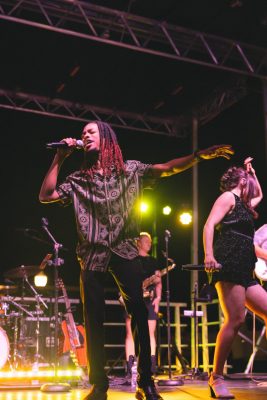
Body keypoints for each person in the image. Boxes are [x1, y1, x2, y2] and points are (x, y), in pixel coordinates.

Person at [39, 120, 233, 400]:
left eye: (91, 131)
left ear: (106, 137)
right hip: (92, 255)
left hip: (124, 251)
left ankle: (145, 381)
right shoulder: (79, 179)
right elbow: (46, 195)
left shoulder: (130, 170)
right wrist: (60, 156)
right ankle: (100, 385)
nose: (85, 135)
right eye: (83, 133)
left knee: (140, 315)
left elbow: (167, 168)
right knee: (93, 320)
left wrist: (198, 155)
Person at [203, 157, 267, 399]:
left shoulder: (245, 204)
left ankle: (217, 377)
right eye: (248, 178)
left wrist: (253, 171)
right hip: (227, 262)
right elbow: (209, 225)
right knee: (236, 319)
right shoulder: (228, 198)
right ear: (241, 181)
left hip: (245, 268)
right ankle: (216, 377)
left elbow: (259, 193)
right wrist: (209, 254)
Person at [122, 232, 162, 380]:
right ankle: (130, 366)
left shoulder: (153, 261)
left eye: (150, 241)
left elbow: (159, 280)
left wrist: (158, 298)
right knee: (130, 332)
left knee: (150, 332)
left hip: (149, 299)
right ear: (138, 242)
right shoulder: (131, 259)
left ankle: (150, 365)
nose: (149, 243)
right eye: (146, 241)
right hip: (133, 296)